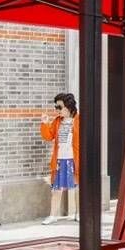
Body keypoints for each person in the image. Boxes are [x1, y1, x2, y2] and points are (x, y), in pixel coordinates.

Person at [39, 92, 80, 224]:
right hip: (59, 160)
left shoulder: (79, 120)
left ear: (68, 107)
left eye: (59, 107)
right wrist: (44, 124)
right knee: (56, 189)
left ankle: (76, 213)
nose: (57, 110)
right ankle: (53, 215)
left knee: (75, 187)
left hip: (74, 160)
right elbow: (48, 136)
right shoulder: (57, 121)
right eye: (56, 107)